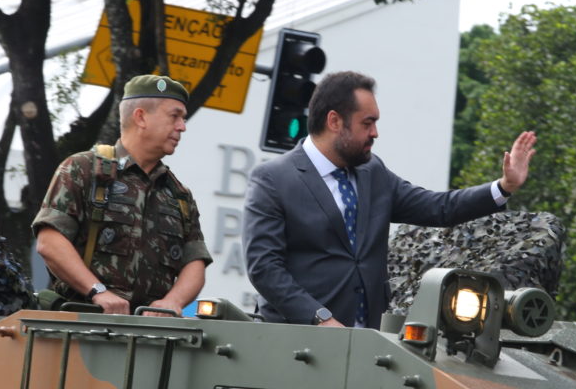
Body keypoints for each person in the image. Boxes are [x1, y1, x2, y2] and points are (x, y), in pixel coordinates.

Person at [243, 70, 536, 328]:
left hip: (368, 339)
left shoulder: (373, 172)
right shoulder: (273, 179)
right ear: (334, 121)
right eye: (367, 123)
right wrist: (319, 317)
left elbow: (439, 208)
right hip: (297, 340)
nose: (375, 133)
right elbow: (265, 268)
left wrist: (504, 186)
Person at [32, 74, 211, 315]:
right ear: (141, 117)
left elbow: (195, 263)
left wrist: (173, 302)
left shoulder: (178, 194)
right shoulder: (83, 169)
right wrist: (98, 291)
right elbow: (49, 242)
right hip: (80, 326)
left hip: (151, 336)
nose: (182, 126)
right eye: (174, 116)